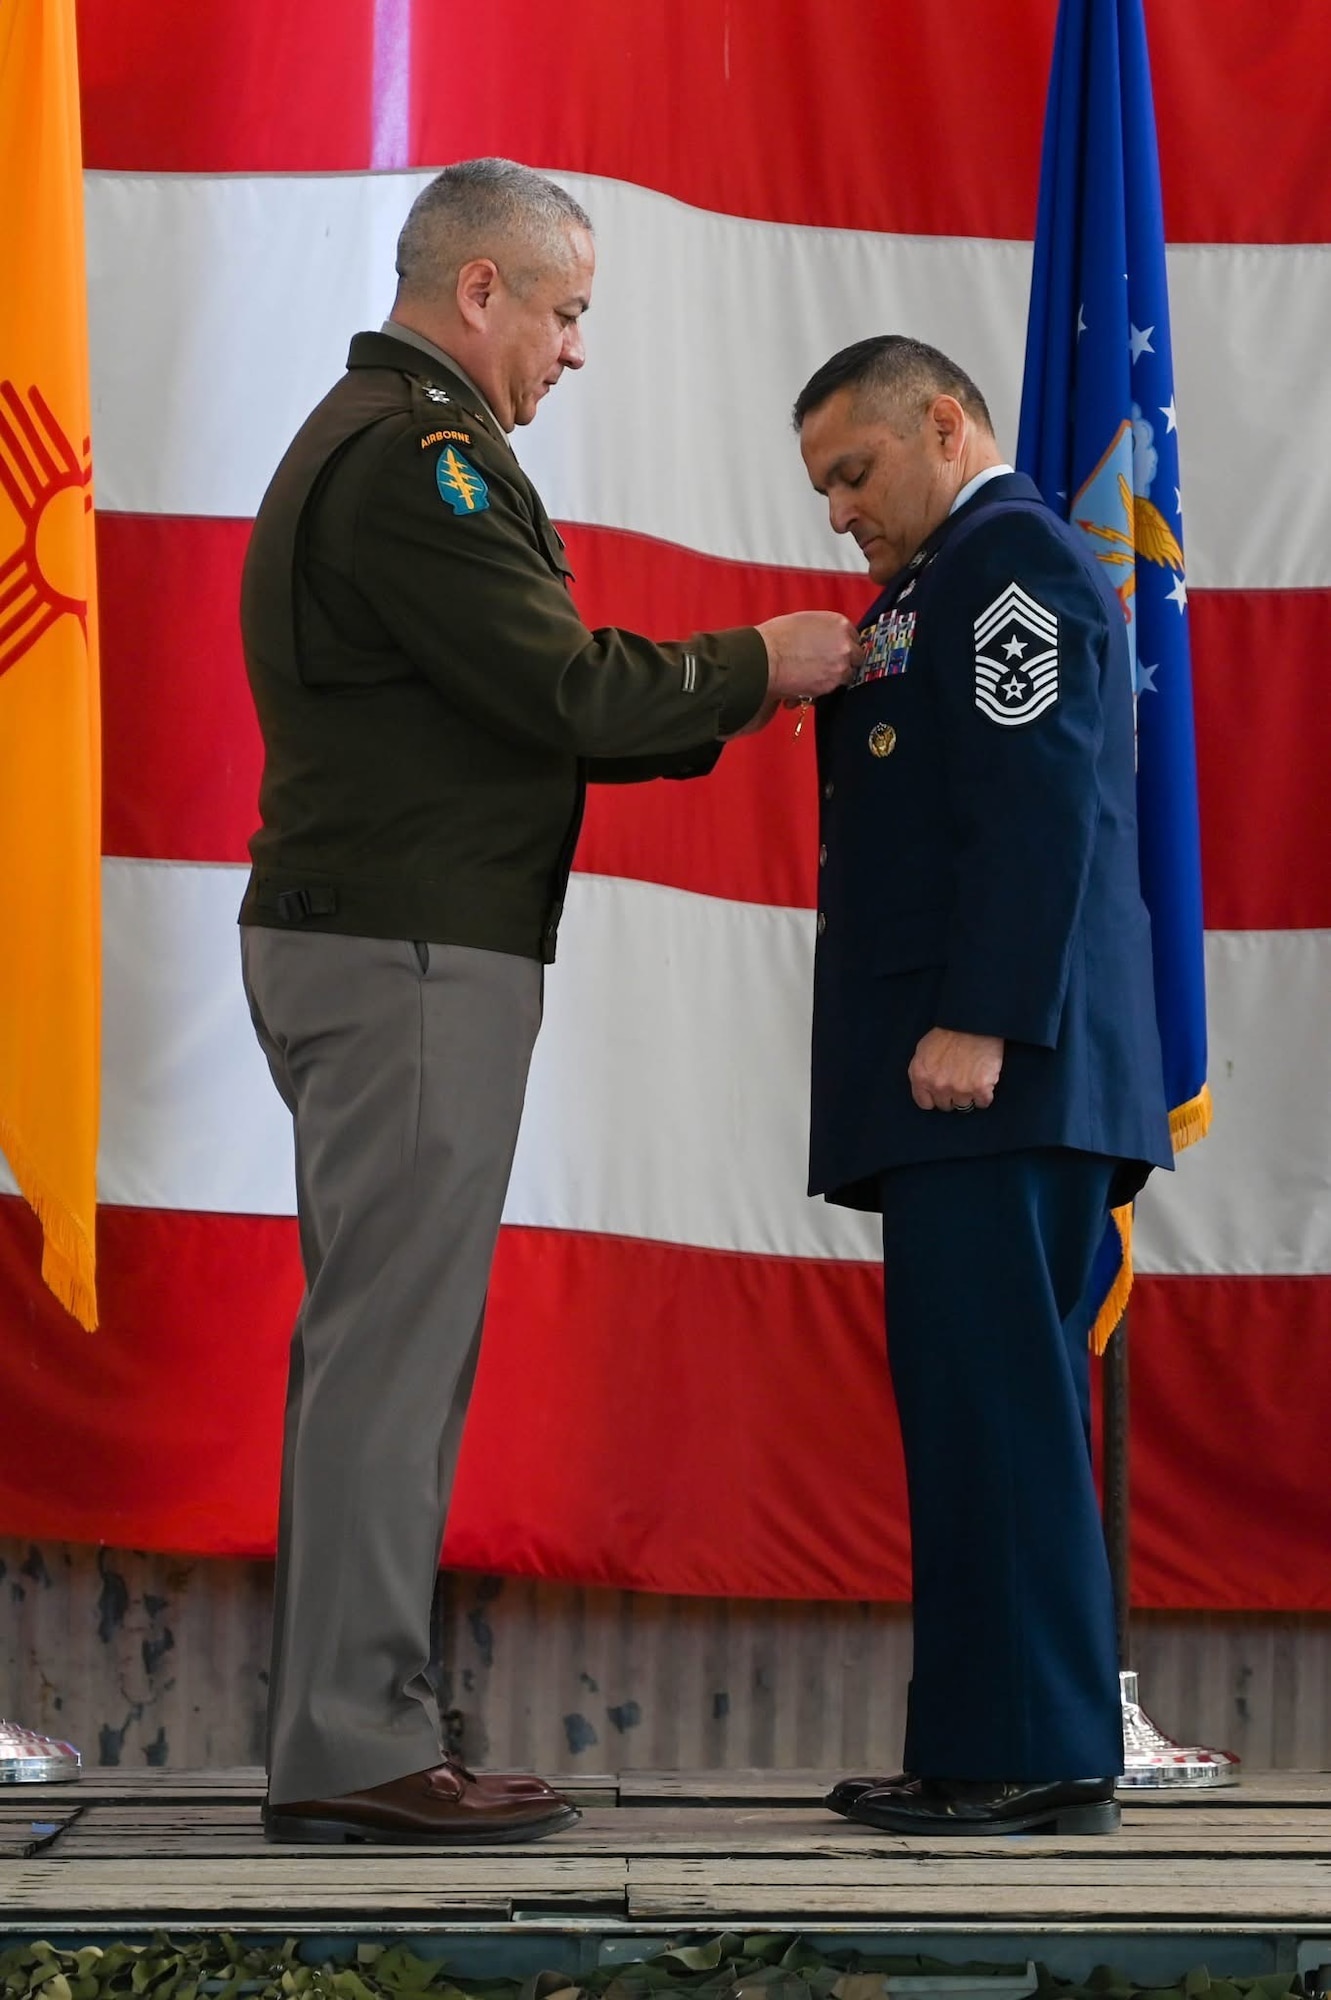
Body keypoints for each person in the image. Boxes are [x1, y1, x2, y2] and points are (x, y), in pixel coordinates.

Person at [238, 158, 861, 1847]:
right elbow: (558, 685)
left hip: (380, 941)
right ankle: (357, 1745)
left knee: (377, 1347)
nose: (578, 349)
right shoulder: (415, 461)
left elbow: (522, 703)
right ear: (480, 291)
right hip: (409, 954)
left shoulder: (380, 441)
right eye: (567, 310)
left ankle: (341, 1732)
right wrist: (765, 663)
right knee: (391, 1353)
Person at [794, 336, 1172, 1837]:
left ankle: (1037, 1749)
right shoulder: (939, 577)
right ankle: (980, 1742)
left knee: (1000, 1409)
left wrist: (984, 1019)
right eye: (823, 483)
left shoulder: (1009, 563)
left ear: (946, 424)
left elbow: (1034, 808)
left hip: (994, 1074)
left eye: (855, 470)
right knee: (964, 1412)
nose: (837, 508)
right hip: (965, 1079)